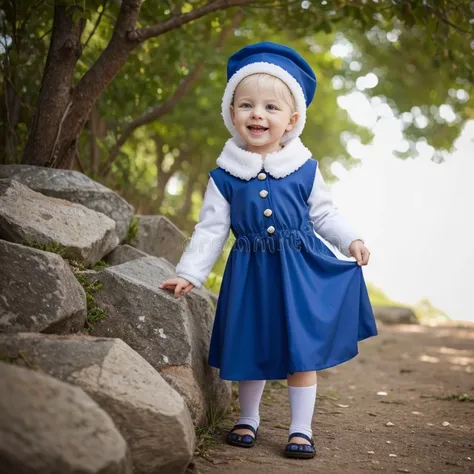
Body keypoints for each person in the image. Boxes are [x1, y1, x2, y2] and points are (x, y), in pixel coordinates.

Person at [159, 42, 378, 459]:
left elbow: (325, 215)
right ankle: (249, 417)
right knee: (252, 344)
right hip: (250, 272)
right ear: (232, 114)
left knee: (301, 351)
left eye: (270, 108)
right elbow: (209, 230)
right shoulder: (225, 177)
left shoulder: (305, 169)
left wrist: (351, 240)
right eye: (246, 105)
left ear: (292, 120)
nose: (257, 114)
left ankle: (300, 429)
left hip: (299, 271)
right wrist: (190, 273)